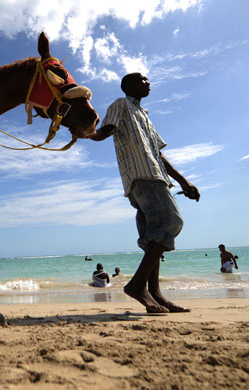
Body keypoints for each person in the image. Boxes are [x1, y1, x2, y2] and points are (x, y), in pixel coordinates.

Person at [91, 73, 200, 313]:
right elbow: (103, 132)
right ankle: (138, 286)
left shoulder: (145, 115)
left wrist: (183, 181)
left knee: (153, 236)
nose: (148, 82)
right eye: (142, 79)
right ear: (127, 86)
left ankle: (155, 294)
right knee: (171, 221)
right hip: (142, 176)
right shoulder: (121, 105)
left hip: (154, 176)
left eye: (148, 80)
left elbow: (158, 154)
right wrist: (84, 130)